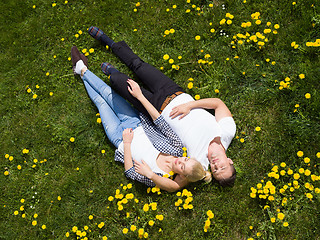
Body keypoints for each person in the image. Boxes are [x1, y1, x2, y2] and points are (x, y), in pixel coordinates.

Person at [88, 26, 237, 187]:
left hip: (155, 111)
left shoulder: (198, 162)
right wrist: (190, 105)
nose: (216, 165)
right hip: (174, 93)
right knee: (138, 65)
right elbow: (218, 104)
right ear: (229, 160)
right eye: (222, 166)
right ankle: (107, 40)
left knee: (118, 82)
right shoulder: (227, 132)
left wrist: (151, 175)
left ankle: (113, 72)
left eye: (215, 170)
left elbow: (175, 186)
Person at [71, 46, 211, 192]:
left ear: (182, 176)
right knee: (107, 93)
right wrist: (140, 96)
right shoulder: (176, 147)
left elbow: (130, 172)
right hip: (135, 122)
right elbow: (160, 122)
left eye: (182, 166)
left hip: (119, 138)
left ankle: (81, 69)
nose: (180, 160)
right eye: (186, 159)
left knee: (100, 103)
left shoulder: (159, 175)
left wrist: (126, 143)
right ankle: (82, 70)